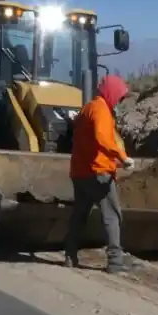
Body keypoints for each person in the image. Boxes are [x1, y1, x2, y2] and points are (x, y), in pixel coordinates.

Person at [65, 74, 135, 274]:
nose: (119, 101)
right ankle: (115, 262)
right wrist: (122, 157)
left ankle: (70, 255)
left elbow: (87, 141)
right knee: (112, 216)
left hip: (80, 172)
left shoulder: (87, 108)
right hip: (98, 173)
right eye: (119, 97)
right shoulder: (101, 109)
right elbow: (102, 138)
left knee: (79, 215)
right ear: (111, 93)